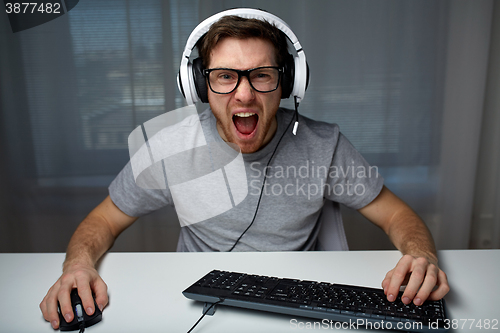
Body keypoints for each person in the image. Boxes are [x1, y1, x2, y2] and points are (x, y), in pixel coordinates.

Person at [40, 9, 449, 330]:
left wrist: (421, 254)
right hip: (198, 306)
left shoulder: (325, 145)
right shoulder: (170, 146)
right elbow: (103, 220)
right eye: (224, 77)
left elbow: (397, 214)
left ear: (287, 82)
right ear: (201, 87)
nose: (244, 94)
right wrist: (77, 266)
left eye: (261, 75)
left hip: (296, 307)